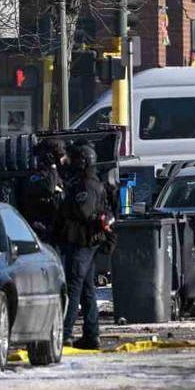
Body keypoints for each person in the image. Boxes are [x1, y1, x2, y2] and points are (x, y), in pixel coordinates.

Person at [57, 143, 111, 351]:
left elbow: (84, 213)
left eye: (75, 159)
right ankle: (91, 334)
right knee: (87, 290)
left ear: (83, 161)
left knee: (73, 289)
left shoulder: (87, 185)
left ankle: (65, 333)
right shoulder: (86, 182)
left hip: (82, 243)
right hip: (85, 243)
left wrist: (66, 209)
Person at [19, 138, 66, 244]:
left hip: (54, 229)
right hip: (40, 229)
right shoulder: (36, 176)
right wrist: (52, 166)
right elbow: (49, 188)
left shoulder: (55, 174)